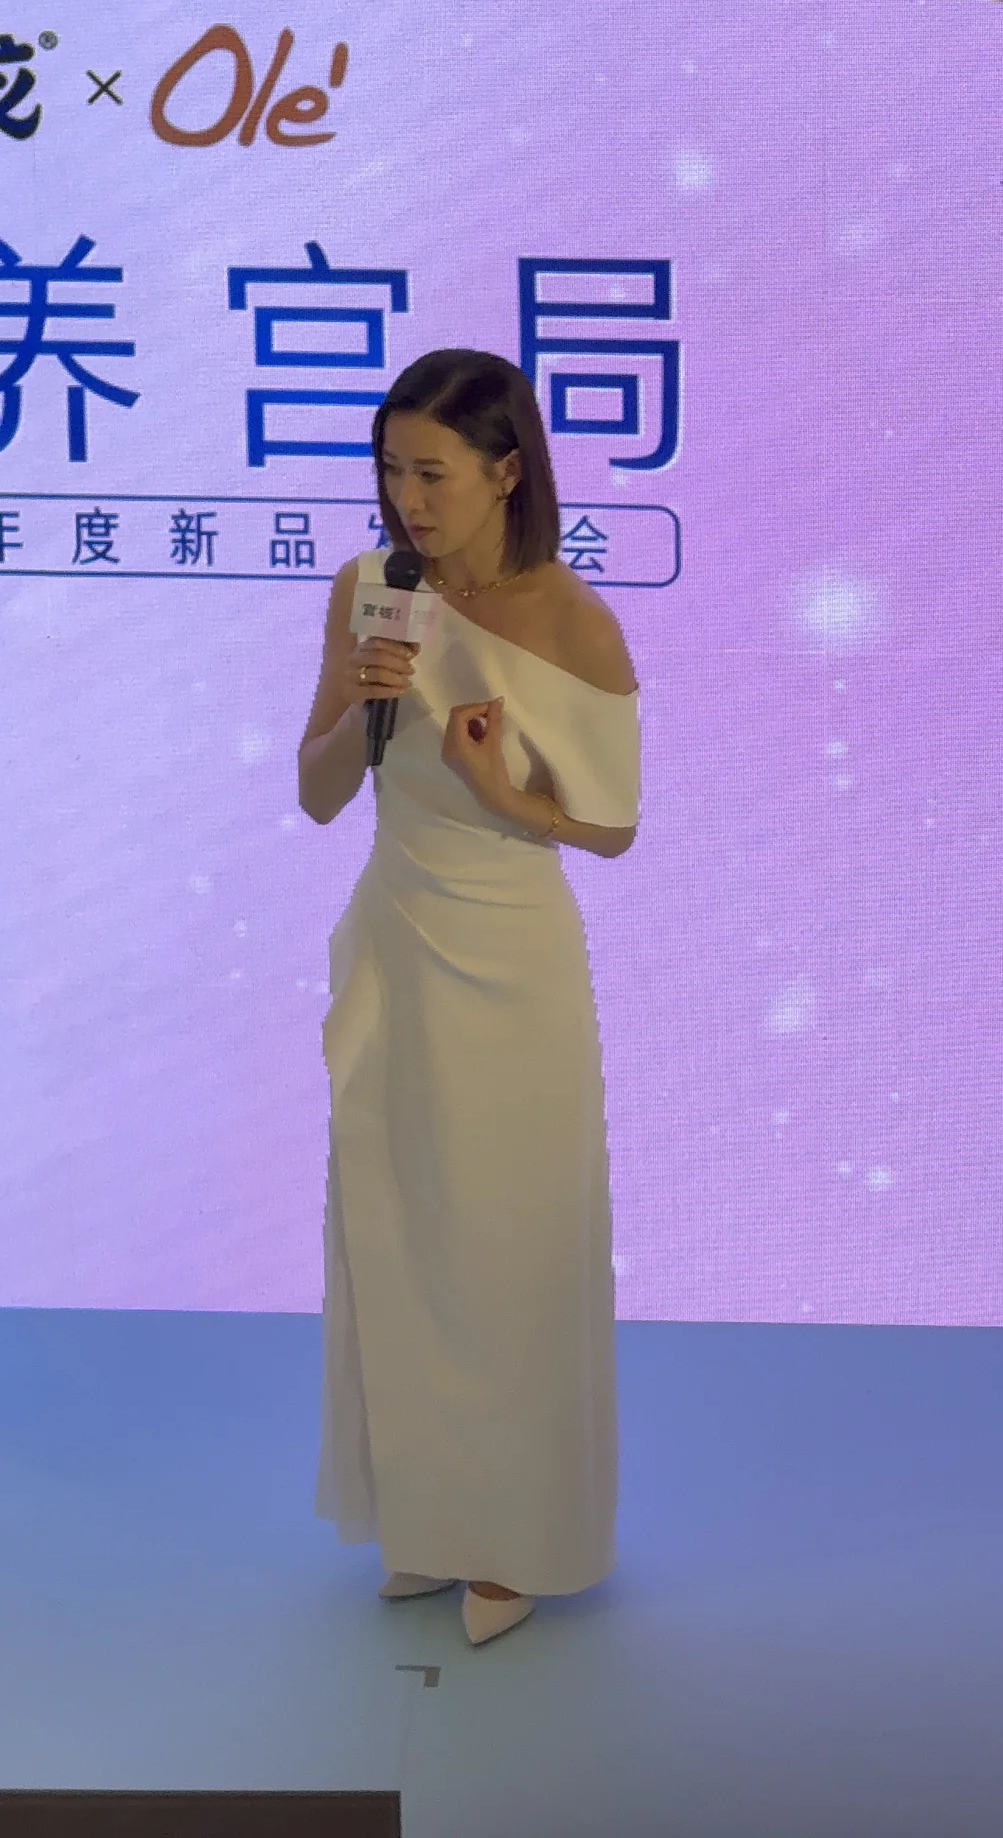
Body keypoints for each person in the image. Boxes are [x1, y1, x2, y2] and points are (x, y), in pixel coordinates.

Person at [298, 348, 640, 1648]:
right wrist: (361, 707)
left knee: (509, 1247)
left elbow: (612, 825)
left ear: (507, 472)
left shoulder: (573, 620)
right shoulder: (370, 590)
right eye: (392, 470)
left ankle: (520, 1537)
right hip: (397, 936)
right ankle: (430, 1521)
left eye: (433, 473)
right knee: (400, 1232)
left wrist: (507, 797)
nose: (408, 499)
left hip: (512, 962)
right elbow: (318, 793)